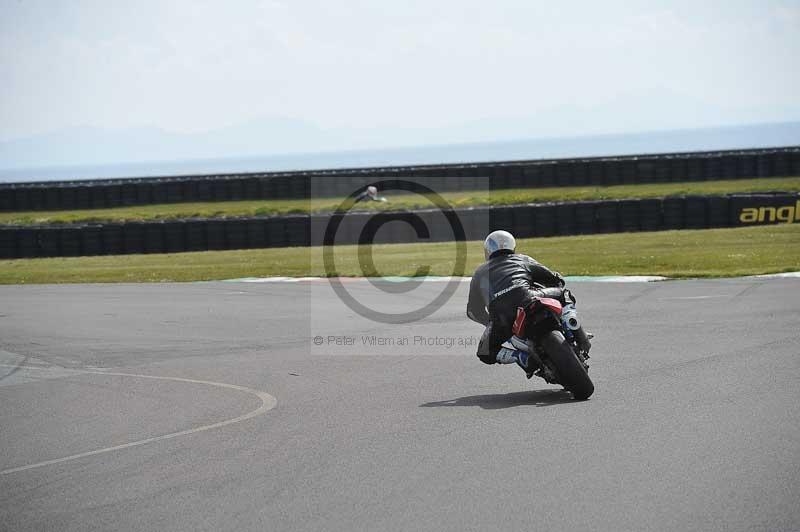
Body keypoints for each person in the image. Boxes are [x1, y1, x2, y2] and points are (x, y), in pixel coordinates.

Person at [466, 230, 590, 376]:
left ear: (487, 251)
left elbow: (473, 311)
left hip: (501, 315)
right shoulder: (522, 259)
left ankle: (520, 357)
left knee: (484, 352)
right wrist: (557, 279)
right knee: (564, 293)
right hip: (528, 297)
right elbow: (552, 278)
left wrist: (491, 323)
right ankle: (571, 322)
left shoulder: (479, 272)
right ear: (512, 246)